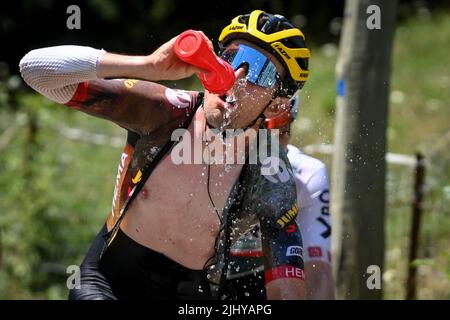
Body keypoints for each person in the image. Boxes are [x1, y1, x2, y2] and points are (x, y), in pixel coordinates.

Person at [19, 10, 310, 300]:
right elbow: (34, 71)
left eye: (260, 70)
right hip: (106, 282)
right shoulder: (165, 111)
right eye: (232, 57)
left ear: (276, 106)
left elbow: (288, 291)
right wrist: (147, 65)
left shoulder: (270, 171)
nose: (236, 76)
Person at [226, 93, 335, 299]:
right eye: (262, 135)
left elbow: (318, 275)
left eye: (283, 131)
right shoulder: (206, 167)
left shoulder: (307, 174)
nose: (272, 150)